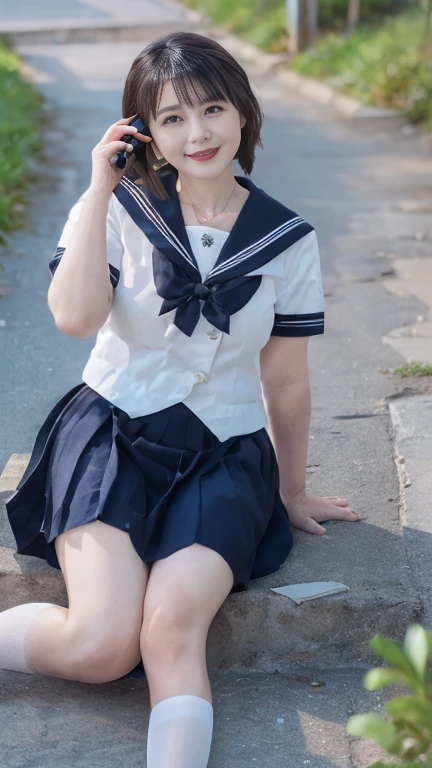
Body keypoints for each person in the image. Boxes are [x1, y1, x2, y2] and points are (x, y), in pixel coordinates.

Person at [1, 31, 358, 768]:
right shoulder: (122, 208)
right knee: (102, 644)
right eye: (171, 118)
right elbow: (73, 319)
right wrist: (101, 184)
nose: (197, 134)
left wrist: (289, 490)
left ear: (244, 114)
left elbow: (285, 379)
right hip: (111, 440)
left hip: (223, 456)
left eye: (213, 109)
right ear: (144, 131)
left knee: (167, 631)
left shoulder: (286, 239)